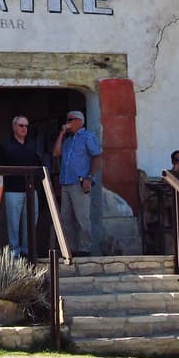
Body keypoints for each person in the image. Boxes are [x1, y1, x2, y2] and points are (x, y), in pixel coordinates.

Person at [52, 110, 102, 257]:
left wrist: (89, 178)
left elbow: (97, 157)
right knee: (66, 218)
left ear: (79, 121)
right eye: (66, 120)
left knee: (82, 218)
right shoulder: (67, 140)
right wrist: (61, 133)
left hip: (79, 183)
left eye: (70, 120)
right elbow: (56, 153)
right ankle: (71, 249)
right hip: (66, 183)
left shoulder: (88, 137)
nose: (67, 123)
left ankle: (84, 249)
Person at [0, 115, 42, 258]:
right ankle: (14, 252)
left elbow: (38, 163)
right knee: (13, 223)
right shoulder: (5, 145)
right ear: (14, 126)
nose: (24, 129)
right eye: (21, 126)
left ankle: (27, 251)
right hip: (12, 190)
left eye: (26, 126)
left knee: (30, 222)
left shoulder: (32, 144)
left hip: (30, 189)